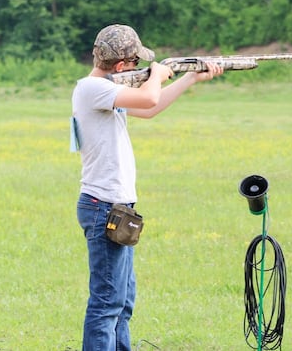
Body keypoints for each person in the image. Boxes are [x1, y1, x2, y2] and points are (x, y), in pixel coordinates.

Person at [72, 24, 223, 351]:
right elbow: (150, 94)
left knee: (122, 302)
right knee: (106, 303)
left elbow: (150, 107)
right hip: (103, 208)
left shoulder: (107, 91)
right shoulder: (91, 88)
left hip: (117, 208)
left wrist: (189, 77)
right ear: (123, 66)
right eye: (136, 62)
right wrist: (158, 72)